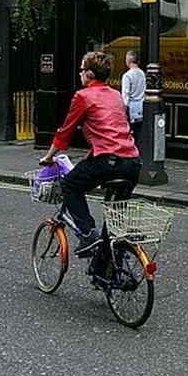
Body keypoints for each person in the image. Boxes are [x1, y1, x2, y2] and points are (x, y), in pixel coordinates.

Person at [39, 51, 141, 256]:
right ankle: (111, 267)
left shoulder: (83, 96)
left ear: (90, 74)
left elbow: (64, 133)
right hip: (133, 163)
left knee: (69, 185)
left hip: (108, 163)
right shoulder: (115, 95)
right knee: (114, 220)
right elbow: (114, 132)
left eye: (82, 70)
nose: (80, 74)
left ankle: (87, 233)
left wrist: (48, 158)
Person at [121, 50, 145, 140]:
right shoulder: (142, 74)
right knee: (138, 132)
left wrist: (124, 108)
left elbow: (125, 94)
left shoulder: (127, 75)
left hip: (131, 107)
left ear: (128, 60)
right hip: (141, 106)